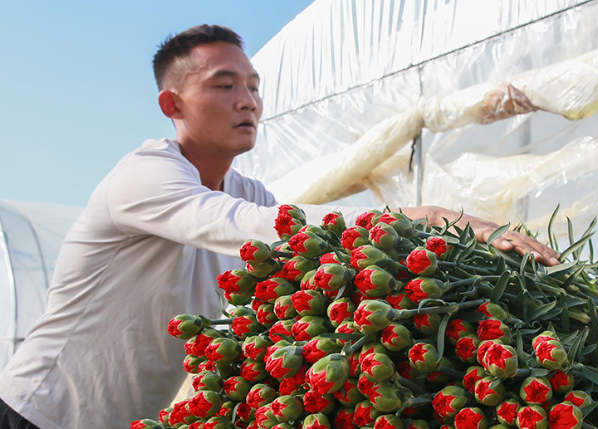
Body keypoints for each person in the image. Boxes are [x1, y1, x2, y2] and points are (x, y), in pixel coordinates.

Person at [0, 25, 559, 429]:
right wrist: (428, 217)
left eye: (254, 86)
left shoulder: (247, 189)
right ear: (173, 103)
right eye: (224, 86)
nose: (248, 102)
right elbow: (261, 228)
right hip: (39, 410)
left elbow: (305, 254)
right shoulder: (145, 175)